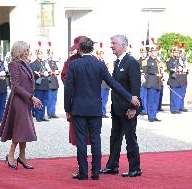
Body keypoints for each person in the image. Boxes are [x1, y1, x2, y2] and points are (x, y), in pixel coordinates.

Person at [64, 36, 140, 180]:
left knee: (81, 141)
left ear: (79, 49)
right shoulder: (99, 64)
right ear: (92, 49)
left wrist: (67, 109)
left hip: (79, 109)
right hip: (95, 109)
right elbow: (114, 84)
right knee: (95, 140)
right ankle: (96, 172)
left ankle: (83, 172)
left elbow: (68, 90)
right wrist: (129, 97)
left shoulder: (74, 65)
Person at [100, 34, 142, 177]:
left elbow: (136, 87)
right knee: (115, 137)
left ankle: (135, 168)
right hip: (117, 108)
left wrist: (133, 108)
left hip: (127, 109)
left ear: (123, 45)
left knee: (130, 138)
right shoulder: (117, 62)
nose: (111, 46)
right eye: (111, 43)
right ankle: (112, 166)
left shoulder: (131, 62)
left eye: (114, 43)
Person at [0, 41, 42, 170]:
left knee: (25, 129)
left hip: (26, 100)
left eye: (28, 50)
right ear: (19, 52)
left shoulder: (26, 64)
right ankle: (11, 154)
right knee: (21, 128)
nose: (27, 53)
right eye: (25, 51)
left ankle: (22, 156)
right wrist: (32, 97)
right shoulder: (13, 64)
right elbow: (15, 86)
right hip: (18, 100)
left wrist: (31, 97)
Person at [62, 36, 91, 146]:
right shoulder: (71, 60)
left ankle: (92, 161)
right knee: (78, 133)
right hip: (76, 98)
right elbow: (64, 77)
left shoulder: (94, 60)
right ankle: (82, 160)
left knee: (92, 133)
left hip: (90, 99)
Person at [30, 43, 50, 122]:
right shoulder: (33, 64)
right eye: (39, 54)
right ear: (37, 54)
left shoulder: (44, 63)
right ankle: (38, 116)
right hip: (39, 85)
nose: (41, 55)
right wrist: (38, 73)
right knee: (38, 101)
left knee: (44, 101)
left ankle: (42, 115)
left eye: (42, 54)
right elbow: (32, 74)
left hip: (45, 85)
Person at [144, 45, 163, 122]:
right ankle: (150, 116)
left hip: (158, 83)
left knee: (156, 101)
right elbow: (145, 72)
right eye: (154, 51)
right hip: (151, 83)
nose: (155, 52)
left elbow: (161, 70)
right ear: (151, 52)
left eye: (156, 51)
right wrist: (155, 73)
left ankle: (154, 115)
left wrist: (161, 76)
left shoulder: (158, 61)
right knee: (151, 100)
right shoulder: (147, 61)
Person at [45, 42, 60, 119]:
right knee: (49, 99)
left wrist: (57, 71)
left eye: (52, 53)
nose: (51, 55)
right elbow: (46, 71)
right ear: (47, 54)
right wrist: (52, 72)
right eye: (50, 53)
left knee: (54, 99)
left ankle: (53, 113)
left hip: (55, 82)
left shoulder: (54, 62)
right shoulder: (45, 62)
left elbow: (57, 70)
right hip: (49, 82)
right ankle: (49, 113)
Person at [166, 43, 182, 114]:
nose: (176, 53)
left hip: (178, 79)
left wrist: (182, 68)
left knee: (178, 95)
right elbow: (169, 68)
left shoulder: (179, 60)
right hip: (173, 79)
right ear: (172, 53)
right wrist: (174, 69)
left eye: (177, 52)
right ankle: (173, 109)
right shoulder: (169, 60)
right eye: (175, 52)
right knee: (173, 95)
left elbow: (182, 66)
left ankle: (177, 109)